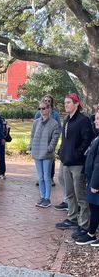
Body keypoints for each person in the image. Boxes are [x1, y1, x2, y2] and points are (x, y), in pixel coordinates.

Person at [56, 93, 95, 241]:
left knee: (81, 196)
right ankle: (72, 218)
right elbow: (65, 139)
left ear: (76, 104)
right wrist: (61, 151)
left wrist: (76, 155)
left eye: (68, 103)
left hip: (77, 165)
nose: (65, 105)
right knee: (70, 193)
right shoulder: (67, 119)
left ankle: (83, 225)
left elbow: (87, 141)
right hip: (66, 162)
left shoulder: (83, 120)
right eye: (65, 103)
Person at [30, 101, 60, 208]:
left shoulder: (54, 123)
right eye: (40, 109)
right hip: (37, 152)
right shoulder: (36, 122)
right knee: (41, 177)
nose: (41, 111)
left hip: (47, 153)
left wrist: (50, 148)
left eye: (43, 108)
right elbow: (32, 136)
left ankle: (48, 198)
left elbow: (55, 138)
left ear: (48, 109)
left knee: (47, 177)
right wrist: (31, 146)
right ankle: (42, 197)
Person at [75, 111, 99, 245]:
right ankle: (91, 233)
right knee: (94, 207)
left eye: (97, 119)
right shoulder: (97, 136)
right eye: (95, 118)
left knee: (95, 207)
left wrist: (95, 184)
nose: (95, 121)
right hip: (93, 179)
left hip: (96, 181)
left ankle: (91, 234)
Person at [34, 94, 61, 186]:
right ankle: (40, 178)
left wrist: (54, 141)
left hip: (50, 141)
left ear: (51, 103)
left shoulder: (55, 114)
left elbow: (59, 128)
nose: (47, 102)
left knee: (50, 160)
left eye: (49, 101)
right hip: (40, 141)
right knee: (39, 159)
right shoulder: (38, 113)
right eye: (45, 100)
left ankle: (50, 178)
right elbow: (35, 127)